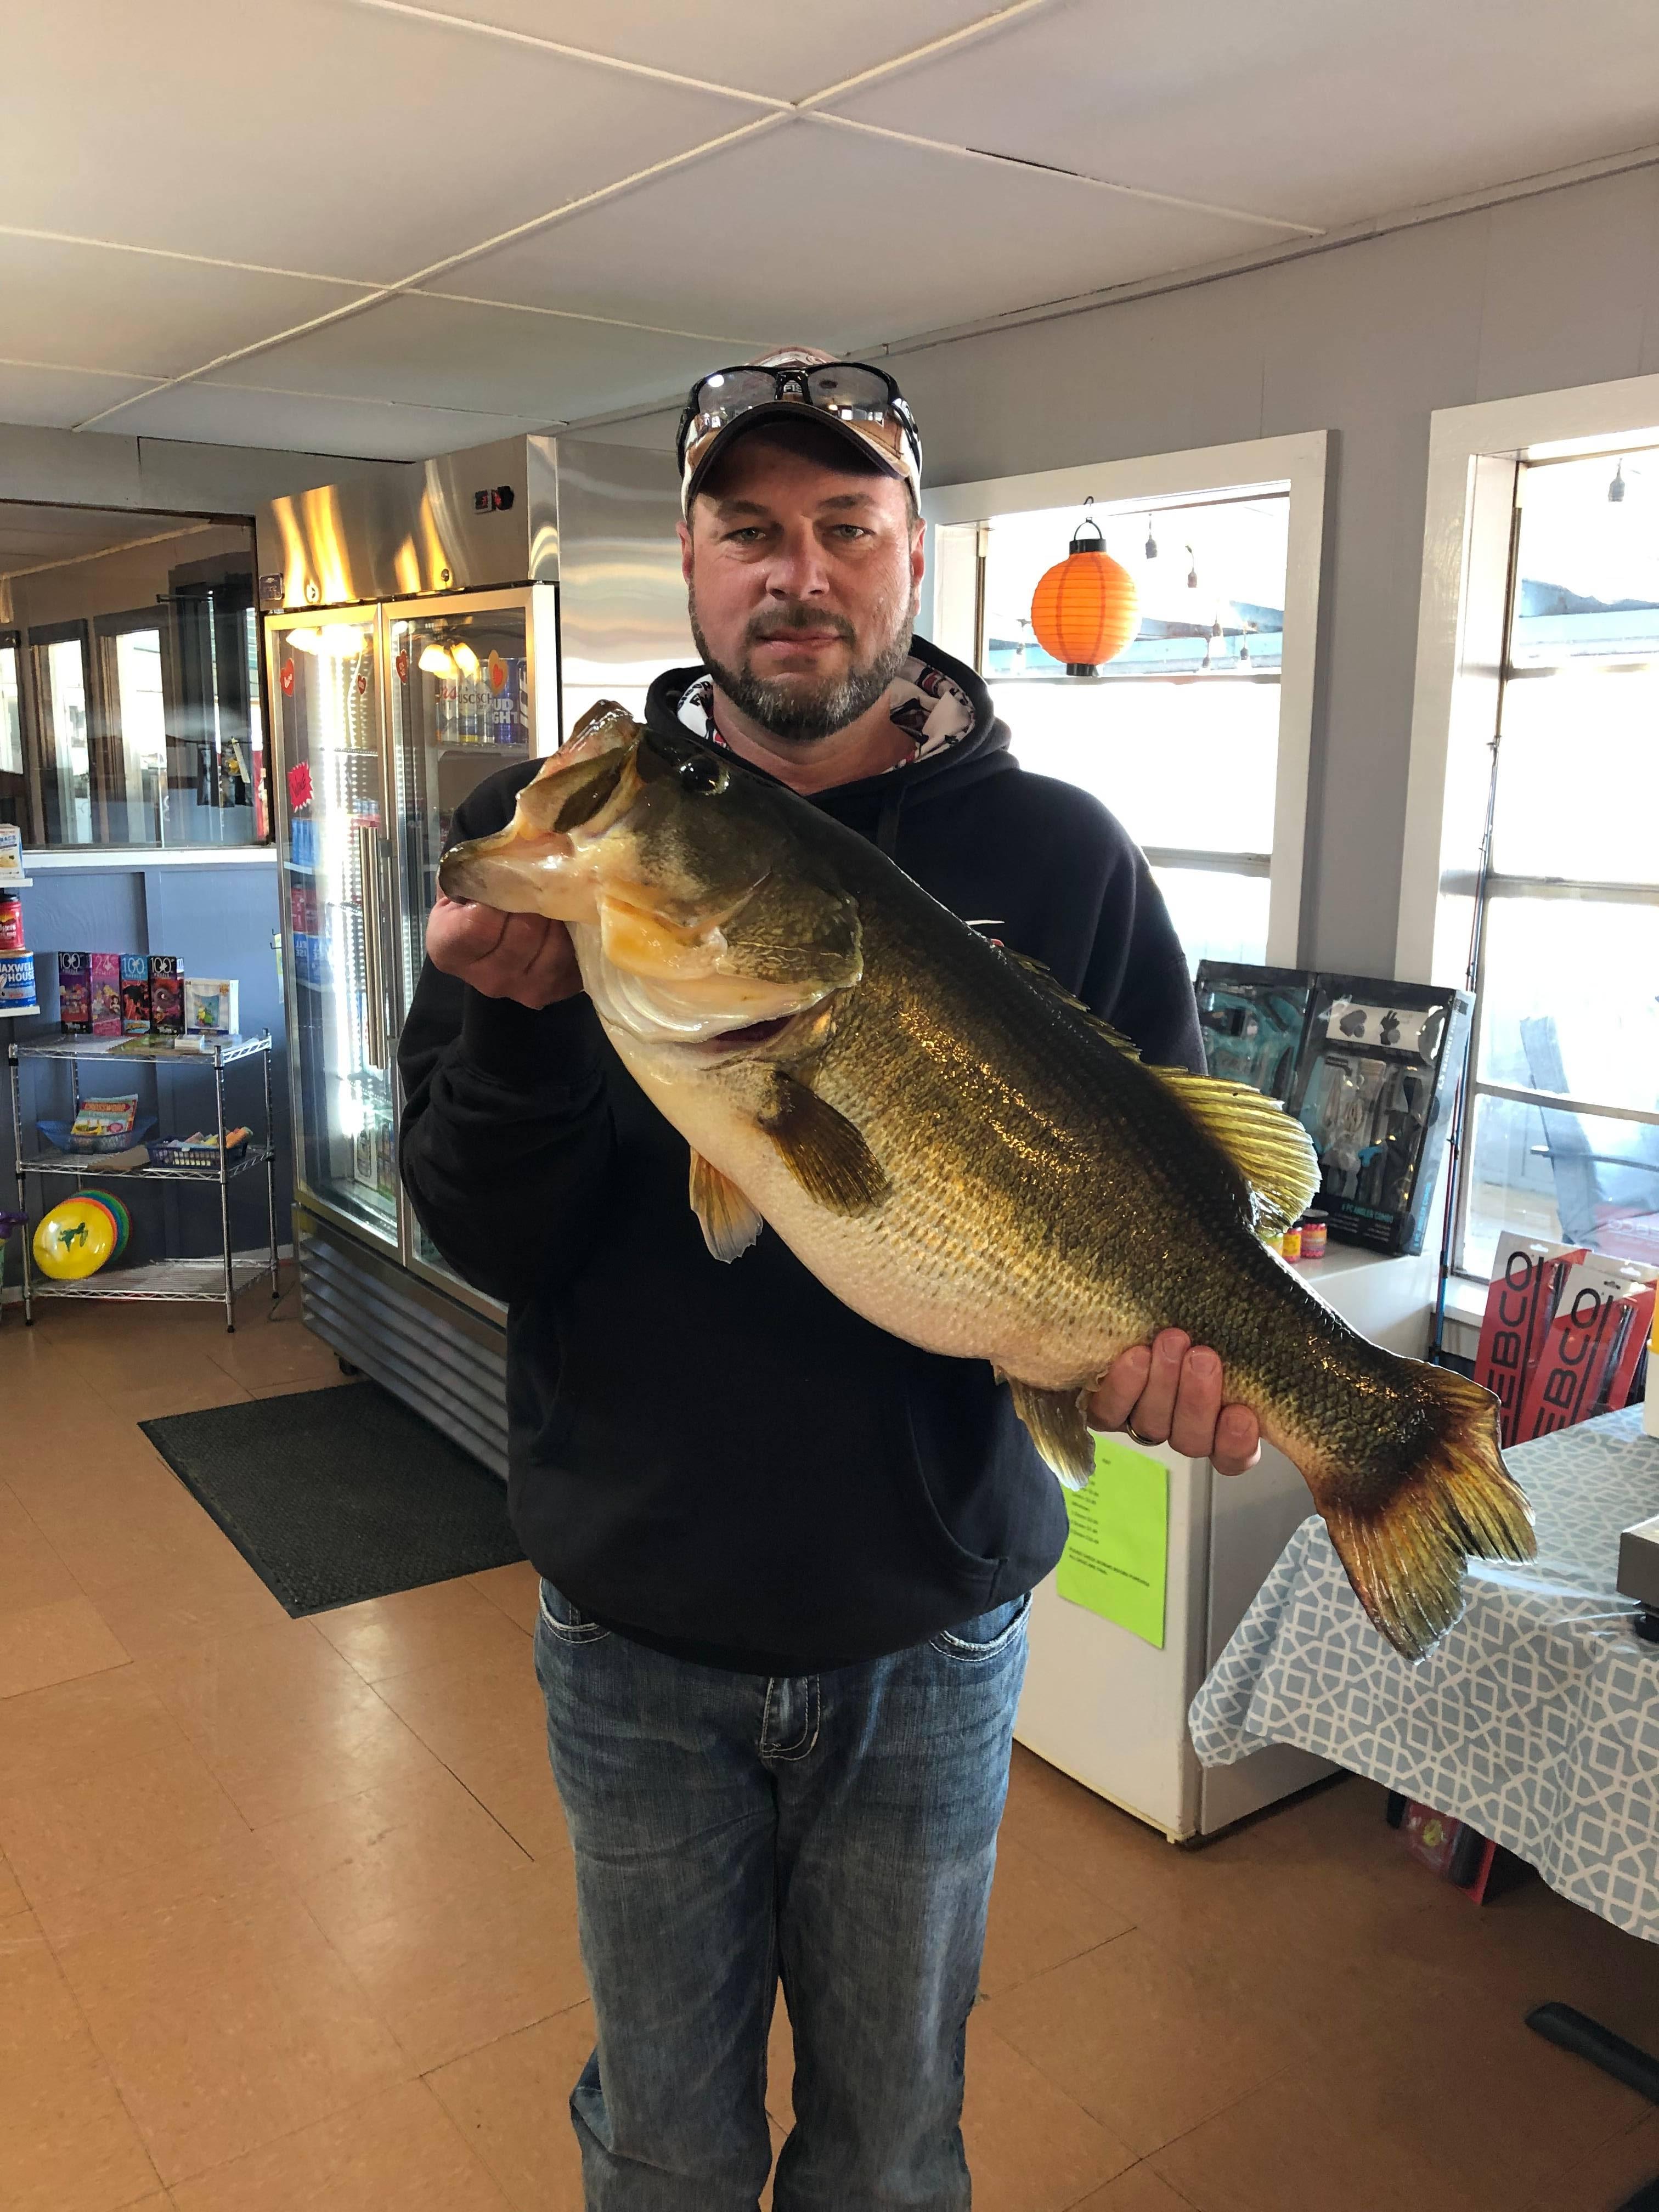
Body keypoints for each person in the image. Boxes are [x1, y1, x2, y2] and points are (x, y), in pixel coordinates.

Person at [398, 350, 1262, 2211]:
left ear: (916, 558)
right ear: (692, 568)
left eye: (846, 527)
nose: (799, 573)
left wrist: (1168, 1357)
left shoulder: (1063, 857)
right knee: (666, 2150)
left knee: (891, 2153)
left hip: (926, 1634)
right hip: (634, 1631)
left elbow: (1188, 1220)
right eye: (749, 531)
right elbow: (481, 1238)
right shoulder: (563, 830)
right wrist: (519, 1031)